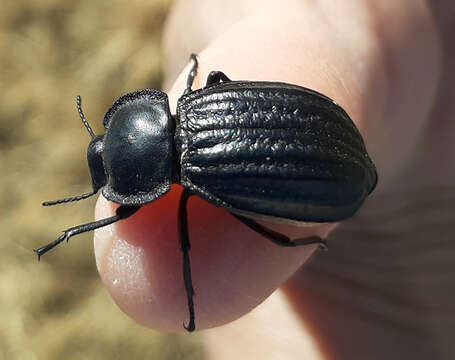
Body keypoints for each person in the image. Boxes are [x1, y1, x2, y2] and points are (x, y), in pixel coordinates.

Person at [94, 1, 454, 358]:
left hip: (331, 170)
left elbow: (163, 235)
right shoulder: (193, 107)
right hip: (326, 133)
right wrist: (193, 77)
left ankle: (297, 244)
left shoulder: (195, 171)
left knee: (249, 232)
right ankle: (300, 243)